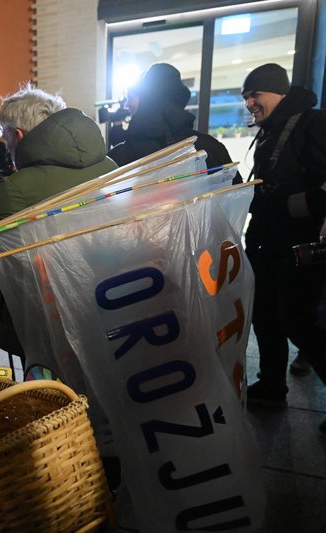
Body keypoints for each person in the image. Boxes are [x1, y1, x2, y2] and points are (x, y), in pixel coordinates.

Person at [0, 83, 117, 359]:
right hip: (110, 302)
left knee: (48, 397)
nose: (4, 143)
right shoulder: (108, 164)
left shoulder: (18, 189)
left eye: (4, 135)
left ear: (19, 135)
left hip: (50, 320)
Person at [240, 63, 326, 433]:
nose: (250, 104)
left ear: (279, 92)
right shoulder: (273, 130)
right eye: (246, 98)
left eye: (255, 95)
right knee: (265, 315)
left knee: (299, 322)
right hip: (267, 243)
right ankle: (271, 385)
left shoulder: (312, 123)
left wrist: (290, 206)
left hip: (298, 246)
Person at [108, 63, 239, 181]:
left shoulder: (121, 156)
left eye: (130, 97)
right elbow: (235, 196)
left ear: (146, 101)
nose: (126, 104)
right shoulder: (209, 147)